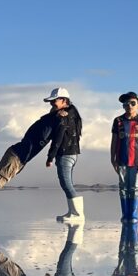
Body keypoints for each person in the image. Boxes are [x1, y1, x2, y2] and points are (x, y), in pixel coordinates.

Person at [0, 90, 61, 221]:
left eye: (54, 101)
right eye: (52, 102)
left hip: (20, 157)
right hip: (17, 156)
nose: (52, 104)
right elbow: (45, 134)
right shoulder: (48, 122)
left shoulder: (47, 120)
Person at [45, 89, 85, 224]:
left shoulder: (64, 116)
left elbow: (58, 137)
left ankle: (78, 214)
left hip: (65, 153)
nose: (52, 104)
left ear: (64, 100)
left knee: (66, 183)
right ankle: (72, 212)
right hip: (72, 153)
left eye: (54, 101)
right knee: (68, 183)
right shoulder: (73, 113)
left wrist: (50, 156)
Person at [110, 91, 138, 222]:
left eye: (132, 103)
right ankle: (125, 215)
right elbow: (114, 141)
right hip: (122, 159)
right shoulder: (118, 121)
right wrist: (113, 159)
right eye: (126, 104)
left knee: (135, 188)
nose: (129, 106)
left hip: (137, 161)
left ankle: (133, 215)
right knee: (123, 188)